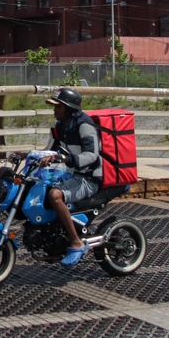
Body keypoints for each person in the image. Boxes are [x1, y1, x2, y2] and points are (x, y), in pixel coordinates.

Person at [37, 86, 103, 266]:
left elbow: (92, 155)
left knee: (55, 195)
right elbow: (49, 150)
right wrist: (27, 154)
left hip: (88, 177)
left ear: (69, 108)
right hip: (71, 174)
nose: (54, 110)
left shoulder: (84, 125)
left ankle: (76, 242)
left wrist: (65, 159)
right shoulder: (59, 126)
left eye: (58, 106)